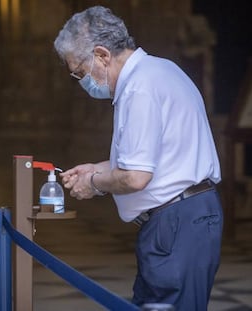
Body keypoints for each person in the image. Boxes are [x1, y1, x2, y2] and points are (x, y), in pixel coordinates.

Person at [54, 6, 223, 310]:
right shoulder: (159, 70)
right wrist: (97, 168)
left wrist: (94, 183)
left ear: (102, 55)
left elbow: (135, 177)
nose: (81, 82)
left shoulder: (139, 89)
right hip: (183, 216)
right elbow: (152, 157)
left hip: (177, 222)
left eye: (79, 72)